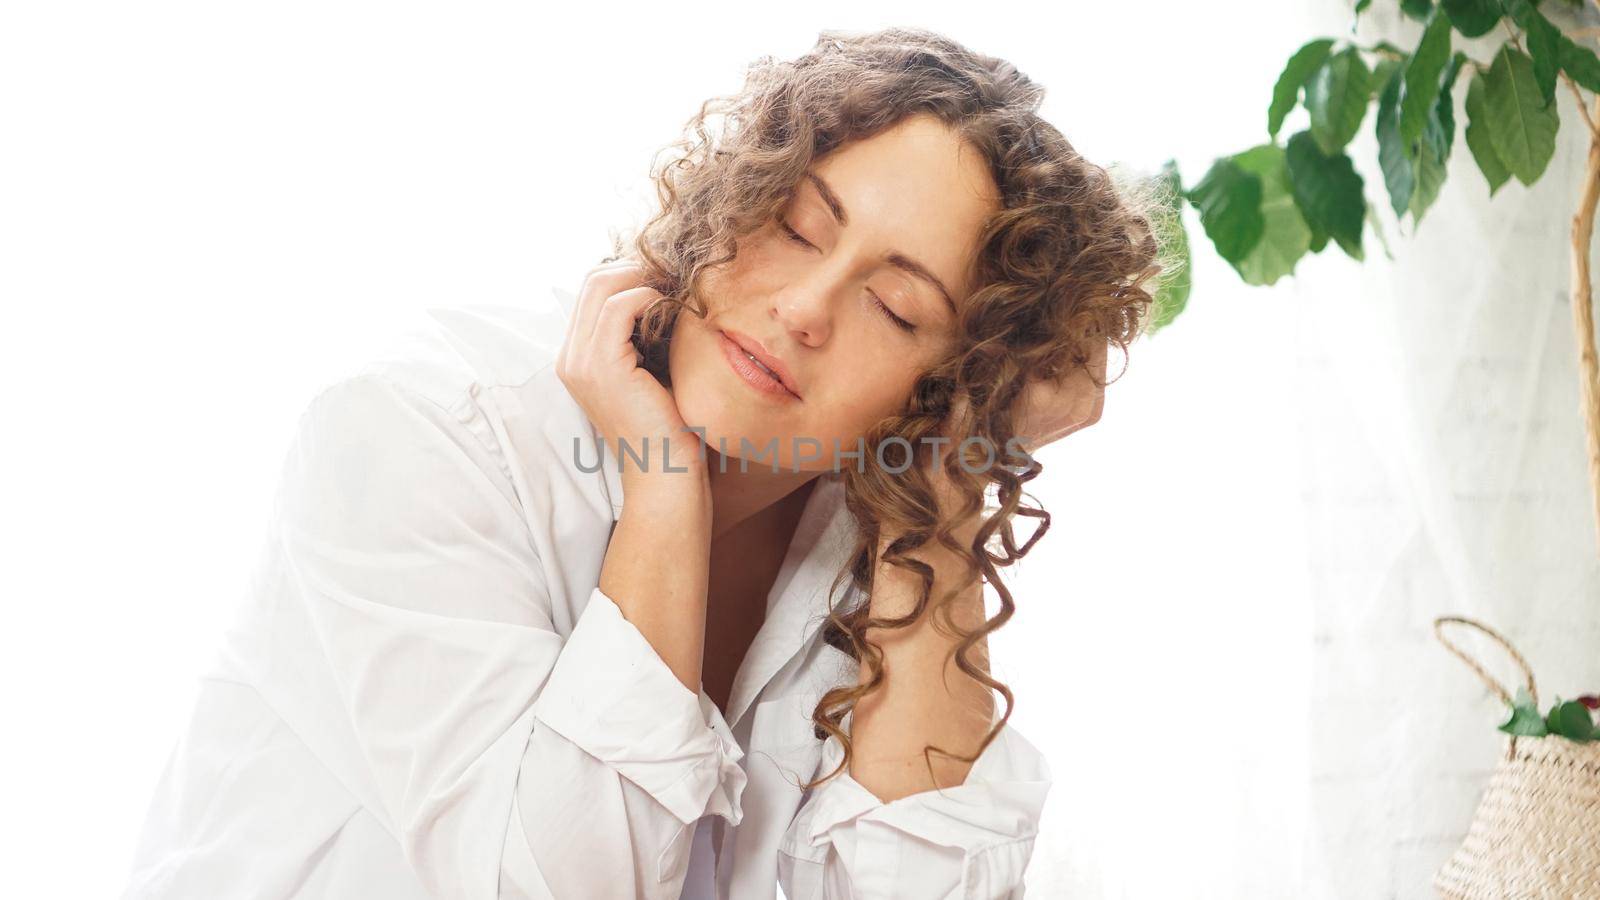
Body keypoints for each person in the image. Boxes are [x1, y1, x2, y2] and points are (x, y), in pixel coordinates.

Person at [120, 25, 1164, 900]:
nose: (802, 310)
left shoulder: (871, 535)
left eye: (894, 308)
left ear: (946, 381)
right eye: (798, 228)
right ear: (732, 198)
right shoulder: (417, 430)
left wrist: (947, 486)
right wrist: (665, 493)